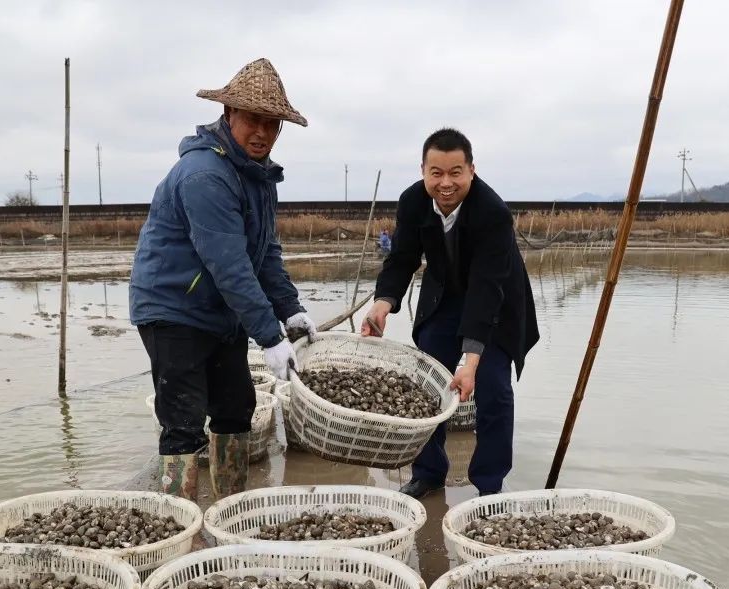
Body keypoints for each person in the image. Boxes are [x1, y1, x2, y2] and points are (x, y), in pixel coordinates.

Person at [129, 58, 318, 502]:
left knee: (236, 408)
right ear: (229, 113)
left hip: (220, 314)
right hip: (172, 308)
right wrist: (270, 337)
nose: (262, 132)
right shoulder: (204, 176)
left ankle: (229, 511)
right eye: (253, 119)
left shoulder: (261, 176)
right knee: (183, 421)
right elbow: (230, 265)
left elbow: (264, 253)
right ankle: (179, 521)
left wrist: (290, 308)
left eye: (272, 124)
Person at [362, 128, 539, 498]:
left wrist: (471, 360)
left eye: (455, 172)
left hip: (496, 301)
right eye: (436, 173)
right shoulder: (412, 201)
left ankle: (489, 485)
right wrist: (384, 302)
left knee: (494, 391)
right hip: (443, 298)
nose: (446, 183)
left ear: (471, 170)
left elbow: (487, 288)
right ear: (423, 170)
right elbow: (402, 258)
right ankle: (428, 473)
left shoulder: (492, 212)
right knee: (427, 385)